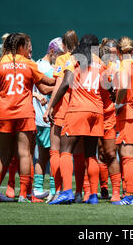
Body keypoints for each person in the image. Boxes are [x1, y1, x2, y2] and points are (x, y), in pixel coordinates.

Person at [0, 32, 55, 203]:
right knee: (24, 154)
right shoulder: (29, 64)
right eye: (27, 46)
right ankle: (23, 195)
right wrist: (63, 81)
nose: (29, 49)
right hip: (24, 113)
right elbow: (46, 85)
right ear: (21, 46)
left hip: (2, 113)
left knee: (0, 153)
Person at [48, 34, 107, 205]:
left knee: (66, 150)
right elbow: (106, 88)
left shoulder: (74, 59)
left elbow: (66, 82)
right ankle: (94, 195)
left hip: (78, 109)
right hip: (97, 111)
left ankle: (66, 192)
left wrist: (53, 104)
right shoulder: (101, 63)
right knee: (91, 154)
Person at [44, 30, 80, 201]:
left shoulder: (62, 59)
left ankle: (58, 190)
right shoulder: (84, 58)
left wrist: (49, 107)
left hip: (63, 107)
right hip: (80, 107)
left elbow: (59, 83)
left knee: (56, 151)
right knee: (80, 153)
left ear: (64, 46)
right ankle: (83, 192)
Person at [111, 37, 133, 205]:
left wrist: (117, 103)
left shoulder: (124, 64)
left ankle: (130, 195)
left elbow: (124, 86)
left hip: (129, 114)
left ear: (118, 51)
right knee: (132, 157)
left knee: (127, 157)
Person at [31, 37, 64, 202]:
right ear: (52, 52)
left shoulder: (40, 65)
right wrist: (62, 86)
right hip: (46, 116)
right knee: (52, 155)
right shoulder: (44, 67)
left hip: (41, 116)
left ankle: (38, 189)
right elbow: (44, 89)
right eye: (59, 54)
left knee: (44, 155)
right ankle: (53, 189)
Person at [99, 38, 122, 202]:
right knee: (99, 154)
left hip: (113, 115)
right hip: (95, 115)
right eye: (109, 53)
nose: (111, 57)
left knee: (111, 153)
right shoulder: (98, 67)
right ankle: (102, 188)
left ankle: (118, 189)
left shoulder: (119, 68)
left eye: (114, 53)